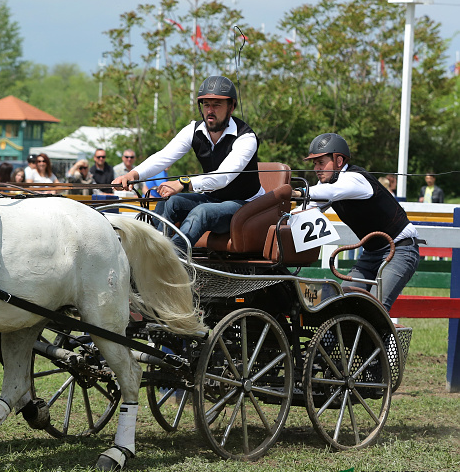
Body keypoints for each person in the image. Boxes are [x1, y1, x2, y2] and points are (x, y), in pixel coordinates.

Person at [113, 75, 262, 250]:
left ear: (232, 107)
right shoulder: (193, 130)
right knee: (170, 201)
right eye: (206, 104)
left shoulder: (246, 138)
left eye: (217, 104)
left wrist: (183, 183)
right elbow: (163, 156)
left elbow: (222, 178)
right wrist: (132, 174)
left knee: (202, 212)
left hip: (245, 205)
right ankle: (151, 251)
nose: (210, 110)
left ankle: (172, 260)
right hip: (213, 198)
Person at [298, 133, 421, 312]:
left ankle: (379, 340)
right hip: (371, 254)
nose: (316, 168)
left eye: (321, 162)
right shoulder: (326, 185)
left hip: (400, 250)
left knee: (375, 310)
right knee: (343, 305)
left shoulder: (354, 178)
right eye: (314, 163)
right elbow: (306, 208)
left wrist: (297, 192)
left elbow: (330, 192)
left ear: (339, 161)